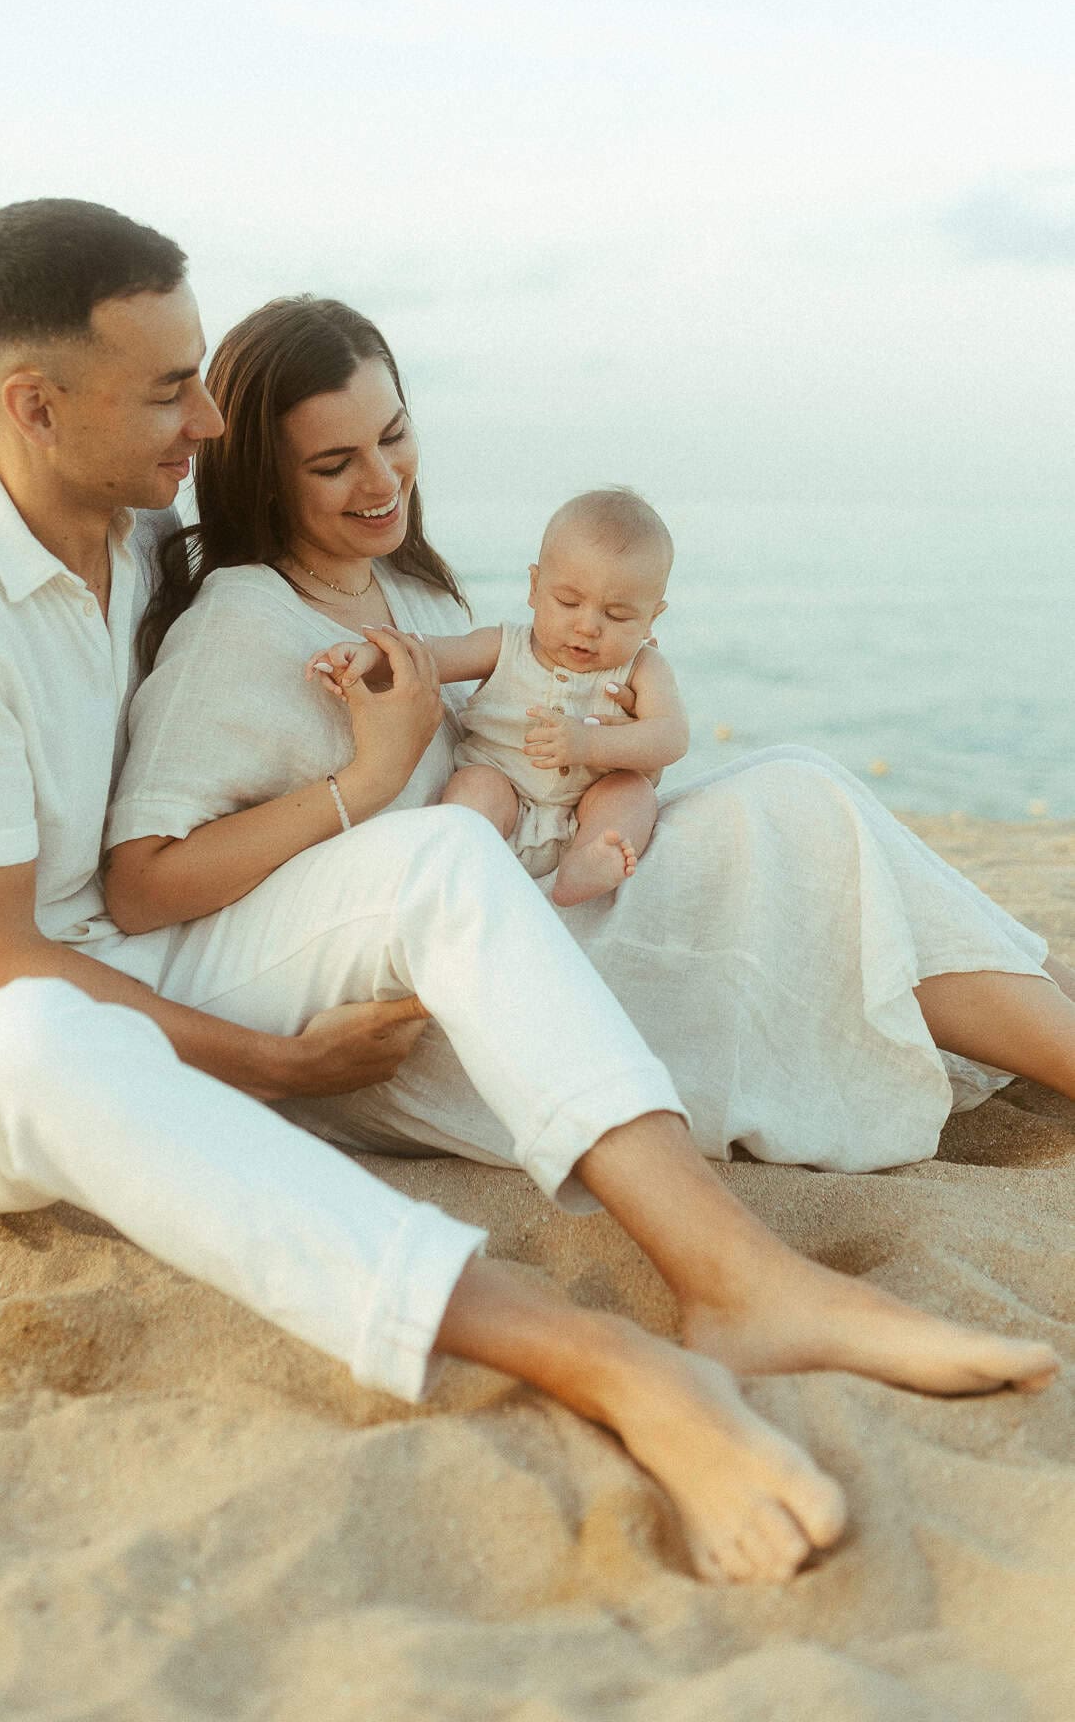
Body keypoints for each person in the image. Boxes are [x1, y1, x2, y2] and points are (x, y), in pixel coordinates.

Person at [0, 204, 1057, 1593]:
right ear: (35, 404)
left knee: (513, 844)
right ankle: (606, 1362)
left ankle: (732, 1276)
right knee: (53, 1044)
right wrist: (271, 1058)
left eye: (204, 376)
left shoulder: (137, 543)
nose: (206, 420)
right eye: (168, 389)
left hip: (158, 955)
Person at [105, 291, 1075, 1185]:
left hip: (535, 891)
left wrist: (601, 744)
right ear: (264, 475)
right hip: (436, 1006)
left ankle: (1051, 1020)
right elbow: (142, 886)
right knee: (799, 823)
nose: (382, 478)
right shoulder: (241, 625)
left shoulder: (407, 586)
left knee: (796, 792)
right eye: (333, 463)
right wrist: (366, 778)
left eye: (393, 435)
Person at [306, 486, 686, 904]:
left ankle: (587, 862)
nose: (588, 627)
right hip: (505, 793)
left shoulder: (643, 667)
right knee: (476, 785)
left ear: (652, 617)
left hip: (586, 812)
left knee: (632, 793)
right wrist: (371, 656)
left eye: (616, 615)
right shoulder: (505, 646)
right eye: (568, 602)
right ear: (535, 587)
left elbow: (671, 736)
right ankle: (466, 861)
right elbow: (431, 655)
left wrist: (590, 743)